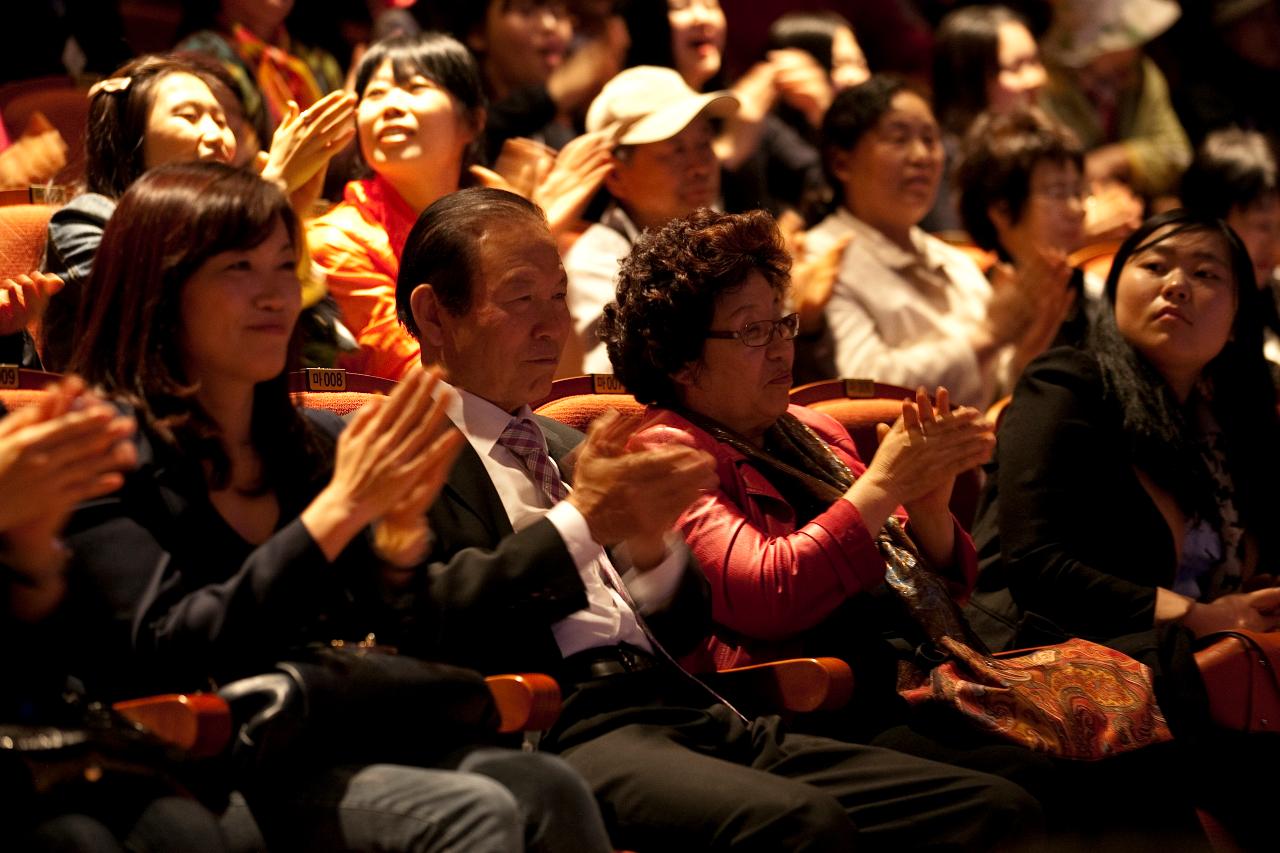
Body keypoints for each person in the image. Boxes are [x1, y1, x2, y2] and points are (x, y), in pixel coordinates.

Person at [397, 185, 1043, 851]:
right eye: (521, 296)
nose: (552, 323)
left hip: (692, 703)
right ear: (435, 313)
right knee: (802, 823)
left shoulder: (571, 447)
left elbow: (682, 627)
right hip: (561, 722)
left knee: (996, 807)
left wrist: (653, 553)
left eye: (559, 296)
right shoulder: (394, 454)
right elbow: (430, 615)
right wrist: (582, 524)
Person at [603, 206, 1214, 846]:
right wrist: (884, 483)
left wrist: (928, 514)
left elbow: (938, 590)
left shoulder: (814, 431)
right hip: (819, 698)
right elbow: (765, 591)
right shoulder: (667, 452)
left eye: (782, 321)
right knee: (1032, 784)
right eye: (751, 331)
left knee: (1142, 745)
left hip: (923, 675)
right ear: (679, 359)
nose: (782, 344)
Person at [59, 161, 614, 853]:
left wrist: (398, 550)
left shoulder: (313, 441)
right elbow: (170, 645)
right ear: (160, 289)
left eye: (285, 266)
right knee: (472, 810)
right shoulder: (95, 449)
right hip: (189, 758)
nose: (273, 295)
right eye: (239, 268)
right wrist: (337, 516)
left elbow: (387, 627)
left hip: (322, 730)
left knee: (546, 786)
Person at [969, 209, 1280, 653]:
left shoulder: (1234, 415)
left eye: (1205, 273)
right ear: (1116, 291)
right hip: (1052, 658)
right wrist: (1198, 617)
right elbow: (1037, 565)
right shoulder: (1064, 384)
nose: (1175, 285)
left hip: (1204, 659)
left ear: (1236, 319)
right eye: (1154, 266)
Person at [308, 31, 611, 379]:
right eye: (375, 93)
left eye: (416, 87)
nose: (390, 105)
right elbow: (421, 376)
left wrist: (530, 250)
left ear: (473, 121)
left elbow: (555, 375)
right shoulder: (335, 239)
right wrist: (523, 248)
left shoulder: (488, 223)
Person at [40, 52, 354, 371]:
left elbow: (321, 351)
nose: (217, 137)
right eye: (189, 117)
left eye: (221, 121)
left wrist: (287, 223)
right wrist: (271, 192)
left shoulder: (243, 223)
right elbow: (166, 324)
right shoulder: (86, 220)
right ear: (131, 135)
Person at [808, 75, 1066, 405]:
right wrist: (989, 336)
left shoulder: (956, 262)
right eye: (899, 139)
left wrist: (1031, 343)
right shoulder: (820, 261)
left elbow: (997, 389)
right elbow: (863, 390)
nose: (921, 156)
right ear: (841, 163)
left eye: (930, 139)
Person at [564, 64, 737, 373]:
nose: (699, 167)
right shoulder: (597, 261)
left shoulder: (730, 241)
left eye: (703, 143)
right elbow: (612, 384)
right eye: (675, 151)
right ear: (615, 175)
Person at [955, 106, 1094, 350]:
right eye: (1057, 193)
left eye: (1078, 191)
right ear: (1002, 211)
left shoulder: (1096, 293)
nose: (1077, 208)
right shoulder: (972, 301)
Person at [1038, 0, 1192, 198]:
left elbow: (1175, 153)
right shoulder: (1045, 86)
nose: (1136, 46)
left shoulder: (1142, 73)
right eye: (1123, 37)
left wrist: (1117, 158)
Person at [926, 5, 1047, 233]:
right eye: (1016, 67)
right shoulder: (942, 157)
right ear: (969, 80)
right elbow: (960, 244)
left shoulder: (1037, 138)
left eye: (1035, 61)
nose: (1036, 79)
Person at [1180, 128, 1280, 366]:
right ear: (1211, 220)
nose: (1276, 245)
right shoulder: (1179, 303)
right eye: (1262, 226)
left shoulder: (1271, 291)